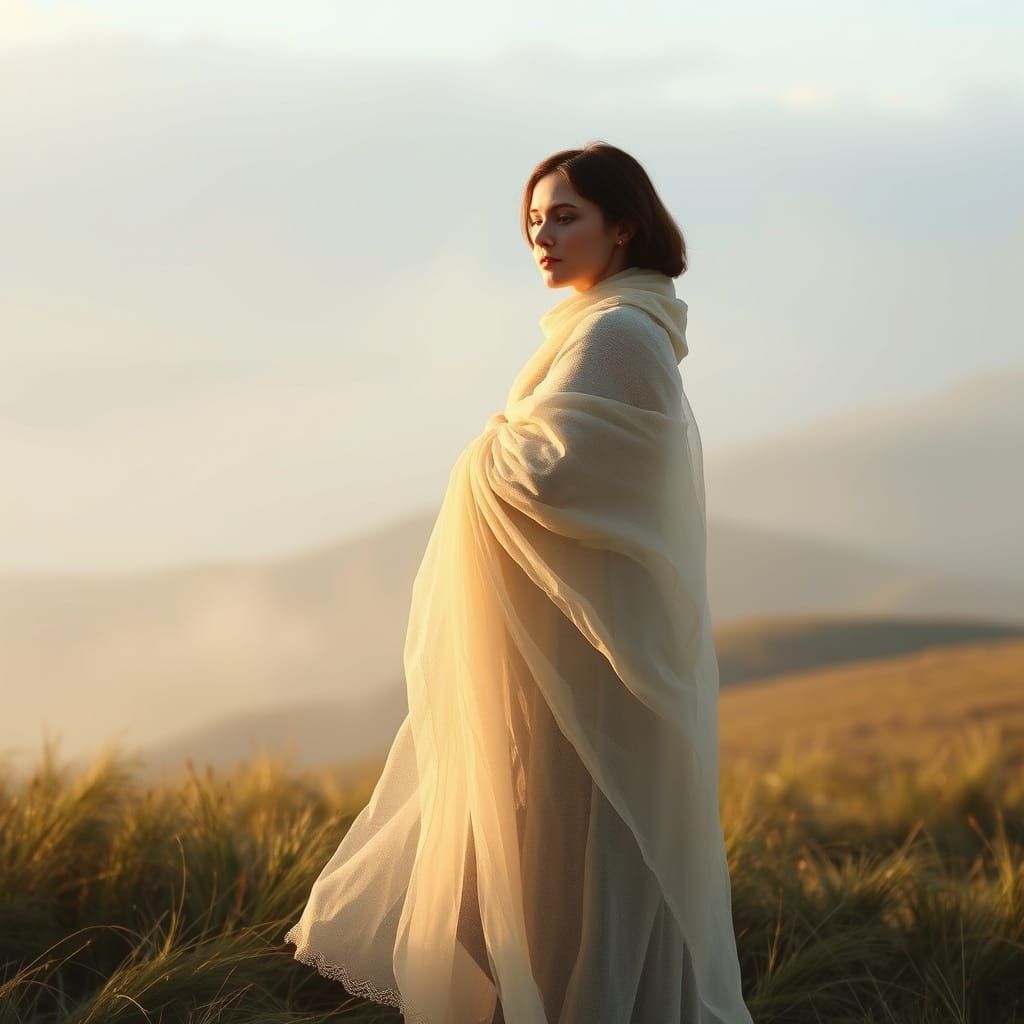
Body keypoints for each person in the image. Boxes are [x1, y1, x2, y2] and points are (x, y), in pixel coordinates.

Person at [284, 141, 756, 1024]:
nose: (542, 236)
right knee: (557, 887)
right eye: (533, 221)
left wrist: (480, 448)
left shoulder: (619, 333)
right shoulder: (607, 326)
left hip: (589, 682)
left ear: (623, 225)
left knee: (568, 887)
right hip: (578, 668)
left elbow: (546, 474)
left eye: (565, 216)